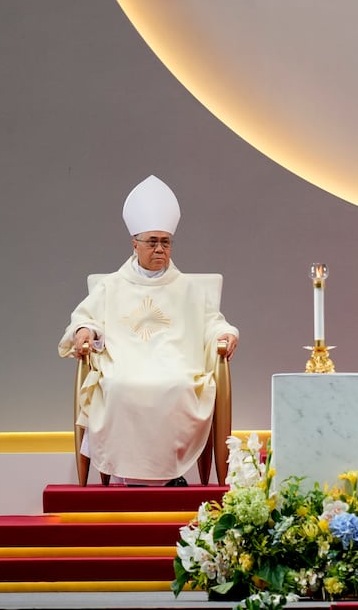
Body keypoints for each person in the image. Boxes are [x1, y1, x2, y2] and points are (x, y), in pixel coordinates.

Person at [58, 175, 238, 486]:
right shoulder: (111, 285)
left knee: (179, 387)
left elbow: (213, 322)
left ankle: (169, 476)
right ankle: (130, 477)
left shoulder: (189, 289)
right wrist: (84, 332)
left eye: (165, 242)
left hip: (176, 366)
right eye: (152, 242)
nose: (159, 249)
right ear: (135, 244)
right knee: (116, 387)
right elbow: (86, 318)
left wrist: (226, 334)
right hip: (125, 365)